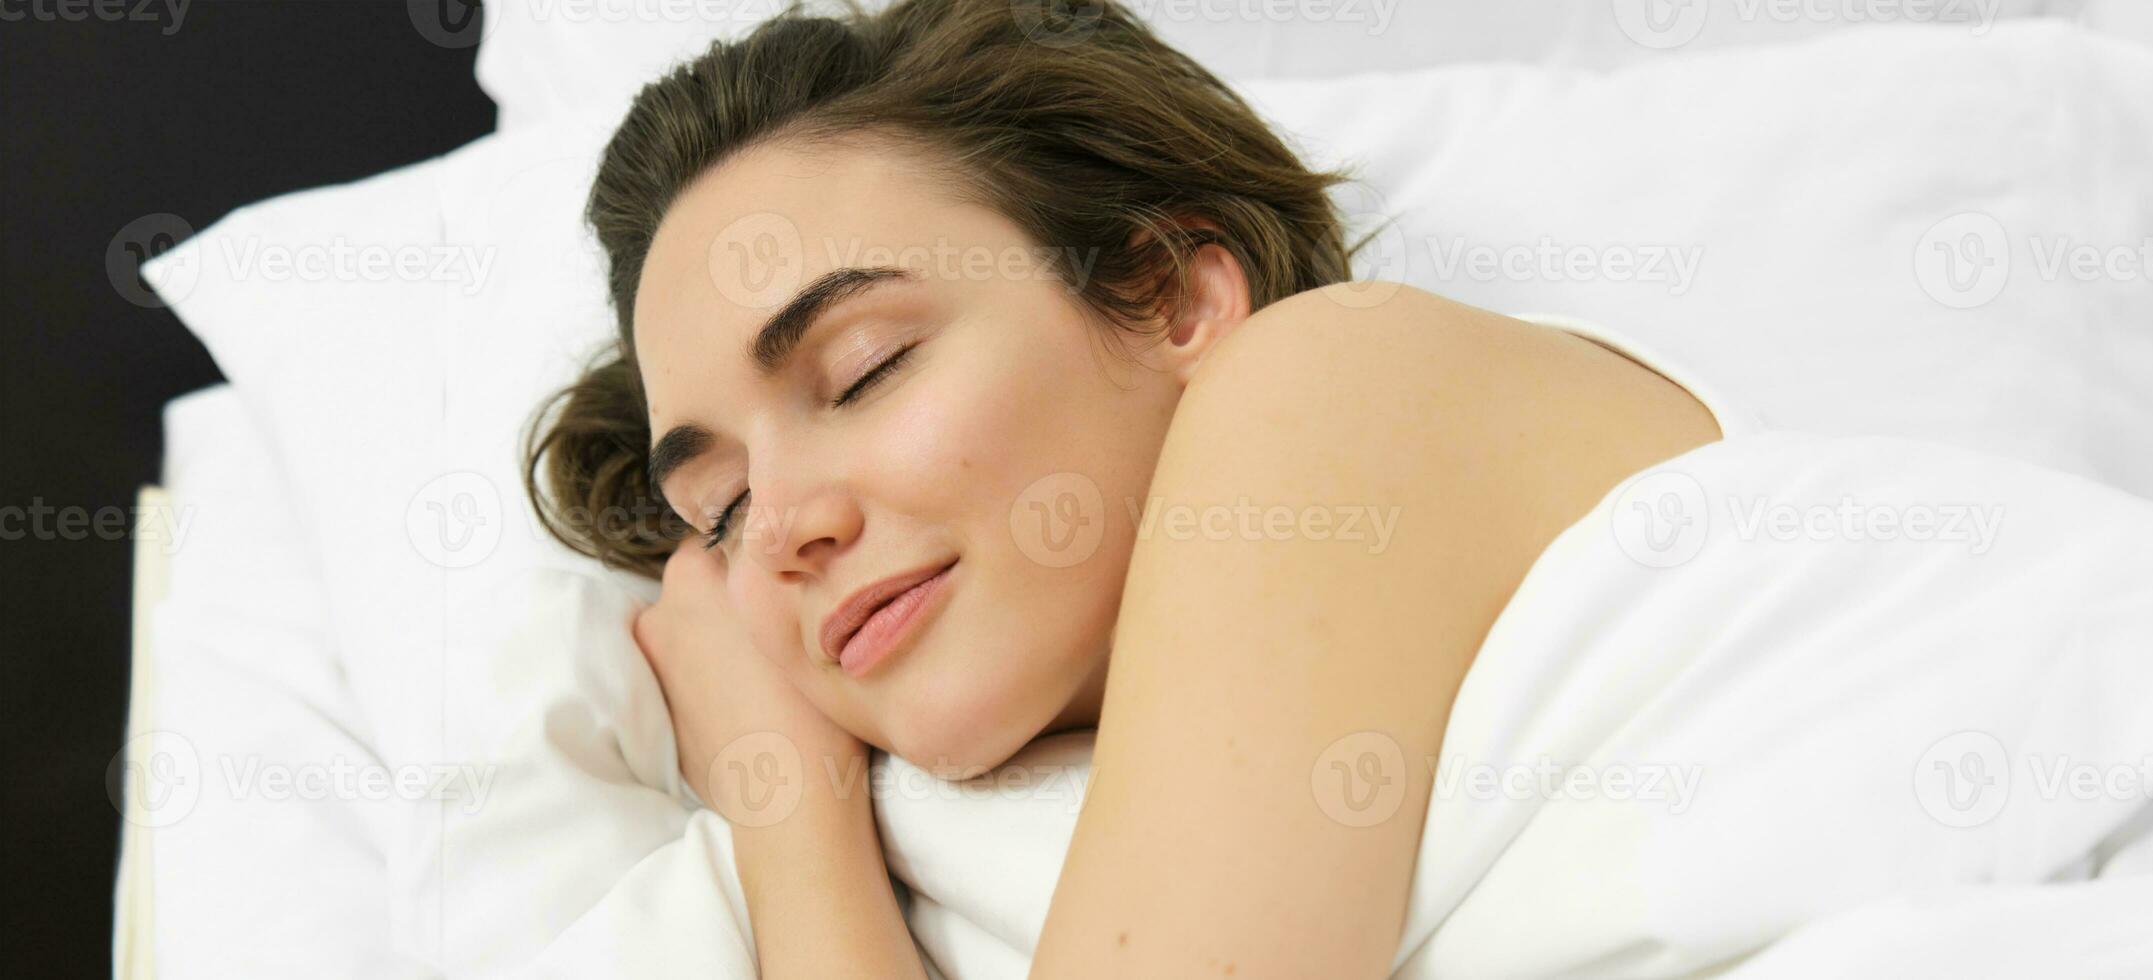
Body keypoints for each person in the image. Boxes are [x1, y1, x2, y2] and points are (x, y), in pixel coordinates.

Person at [527, 0, 1725, 974]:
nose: (781, 528)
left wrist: (788, 816)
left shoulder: (1338, 376)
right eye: (720, 512)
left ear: (1173, 297)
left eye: (864, 369)